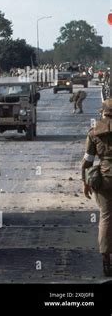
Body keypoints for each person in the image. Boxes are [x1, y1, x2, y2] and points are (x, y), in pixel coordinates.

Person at [81, 99, 112, 277]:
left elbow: (87, 162)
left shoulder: (94, 133)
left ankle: (106, 259)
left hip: (104, 179)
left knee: (106, 218)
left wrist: (85, 182)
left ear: (103, 113)